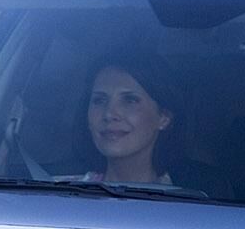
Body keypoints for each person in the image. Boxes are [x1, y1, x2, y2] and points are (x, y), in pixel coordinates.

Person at [75, 54, 180, 186]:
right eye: (99, 100)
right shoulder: (57, 191)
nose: (109, 114)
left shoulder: (190, 198)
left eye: (130, 100)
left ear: (164, 118)